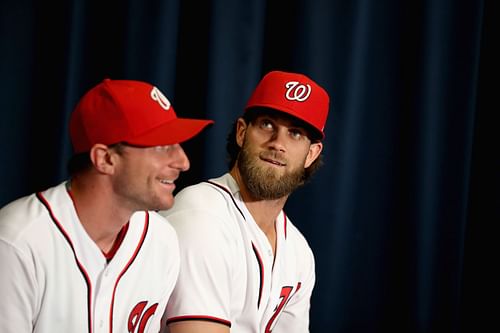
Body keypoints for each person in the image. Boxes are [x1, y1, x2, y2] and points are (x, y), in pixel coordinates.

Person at [0, 78, 213, 333]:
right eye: (162, 146)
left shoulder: (162, 240)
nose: (183, 162)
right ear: (105, 159)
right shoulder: (17, 242)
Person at [160, 70, 330, 333]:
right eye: (267, 124)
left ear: (311, 154)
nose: (278, 144)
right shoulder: (201, 215)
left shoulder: (298, 252)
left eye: (295, 133)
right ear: (242, 132)